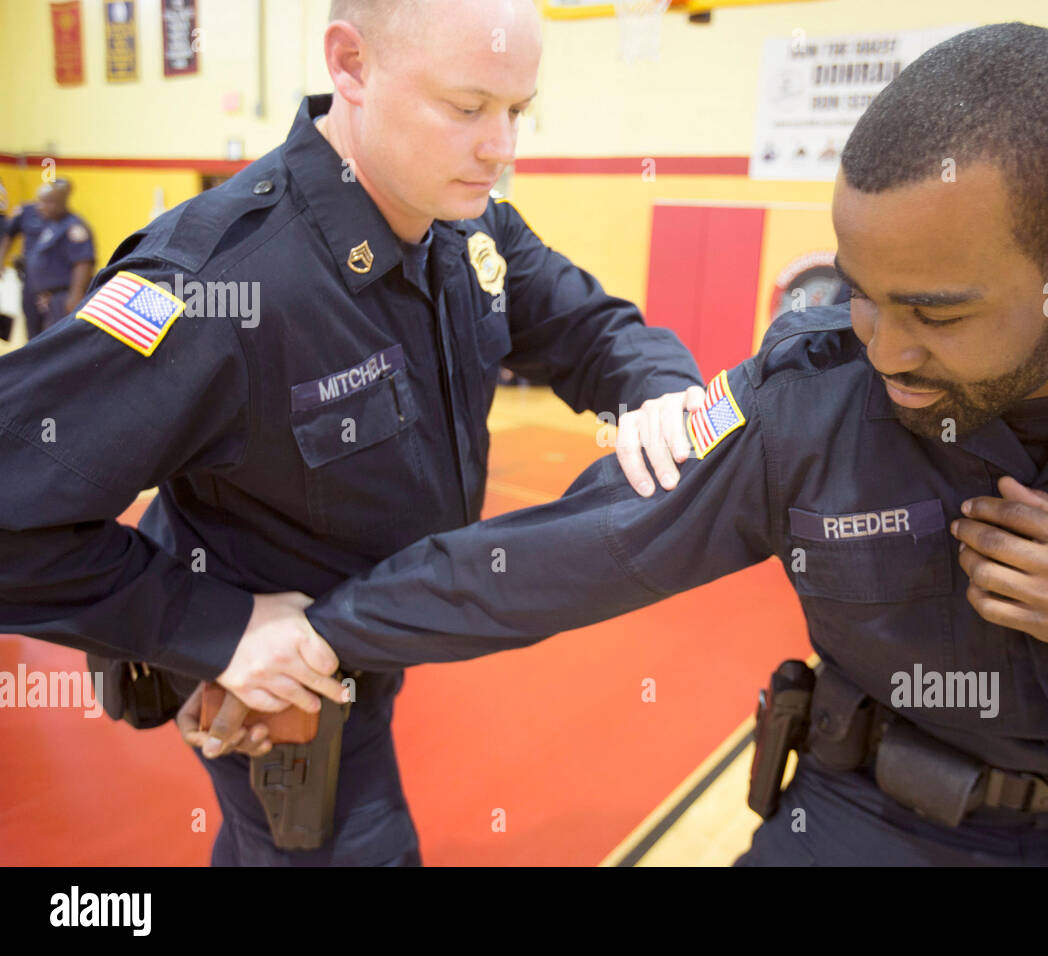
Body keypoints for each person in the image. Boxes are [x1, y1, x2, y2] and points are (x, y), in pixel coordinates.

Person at [300, 23, 1048, 865]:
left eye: (935, 312)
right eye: (858, 291)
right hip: (867, 823)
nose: (885, 347)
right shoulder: (808, 393)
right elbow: (557, 559)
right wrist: (298, 639)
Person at [0, 0, 703, 865]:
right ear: (351, 65)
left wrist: (661, 393)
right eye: (468, 106)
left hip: (371, 645)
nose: (503, 148)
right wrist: (213, 627)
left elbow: (594, 329)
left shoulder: (467, 228)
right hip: (281, 686)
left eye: (518, 110)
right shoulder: (221, 285)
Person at [0, 179, 96, 341]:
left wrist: (75, 296)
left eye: (44, 203)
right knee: (35, 338)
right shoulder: (49, 223)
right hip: (39, 293)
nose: (39, 206)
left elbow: (82, 264)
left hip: (60, 296)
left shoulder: (74, 227)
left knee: (56, 341)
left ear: (56, 203)